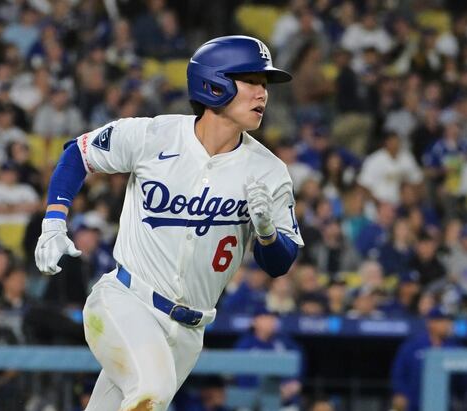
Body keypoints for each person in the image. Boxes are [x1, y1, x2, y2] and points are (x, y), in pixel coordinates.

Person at [34, 35, 304, 411]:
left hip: (189, 333)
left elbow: (280, 264)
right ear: (214, 84)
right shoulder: (154, 135)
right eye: (251, 81)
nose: (263, 94)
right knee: (151, 393)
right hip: (126, 303)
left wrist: (267, 233)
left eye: (265, 85)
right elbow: (77, 154)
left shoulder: (269, 171)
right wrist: (53, 222)